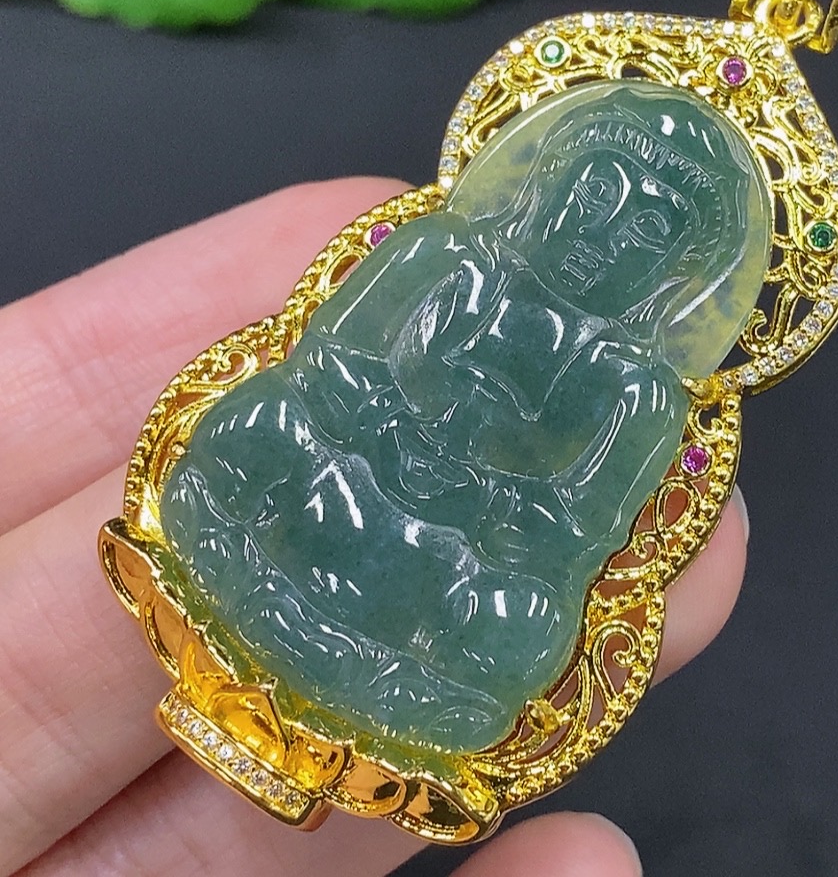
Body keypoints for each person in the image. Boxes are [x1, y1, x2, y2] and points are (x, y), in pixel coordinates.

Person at [0, 176, 748, 877]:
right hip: (339, 474)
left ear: (677, 276)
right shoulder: (444, 251)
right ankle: (269, 625)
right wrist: (390, 426)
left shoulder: (639, 390)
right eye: (597, 191)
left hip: (450, 562)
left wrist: (482, 495)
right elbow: (328, 361)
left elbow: (575, 531)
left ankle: (339, 670)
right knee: (260, 423)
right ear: (550, 181)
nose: (604, 234)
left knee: (522, 617)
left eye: (649, 229)